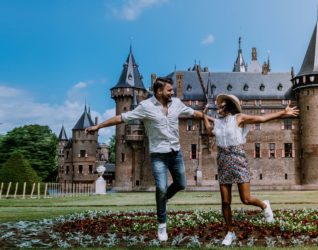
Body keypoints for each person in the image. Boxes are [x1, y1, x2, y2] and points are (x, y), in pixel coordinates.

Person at [85, 77, 205, 242]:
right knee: (161, 188)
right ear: (159, 91)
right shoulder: (146, 106)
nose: (172, 93)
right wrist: (98, 126)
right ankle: (162, 225)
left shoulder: (176, 103)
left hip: (175, 153)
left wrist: (209, 118)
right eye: (169, 90)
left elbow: (194, 113)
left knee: (181, 184)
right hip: (158, 155)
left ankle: (163, 199)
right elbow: (121, 118)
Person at [202, 94, 299, 246]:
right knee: (225, 201)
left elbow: (261, 119)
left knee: (245, 199)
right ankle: (230, 232)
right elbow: (209, 132)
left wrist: (283, 113)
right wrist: (204, 115)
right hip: (222, 159)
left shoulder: (239, 118)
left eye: (222, 106)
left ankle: (264, 205)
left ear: (229, 106)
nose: (218, 108)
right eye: (218, 106)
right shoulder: (218, 123)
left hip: (238, 158)